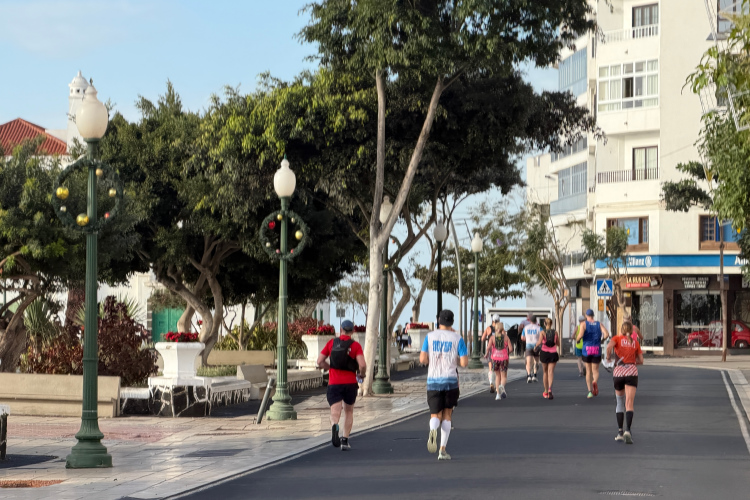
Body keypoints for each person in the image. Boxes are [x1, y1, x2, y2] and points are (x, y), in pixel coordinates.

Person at [420, 309, 468, 461]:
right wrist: (454, 359)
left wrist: (432, 360)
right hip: (450, 381)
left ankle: (433, 428)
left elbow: (422, 359)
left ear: (438, 320)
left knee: (435, 414)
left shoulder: (430, 337)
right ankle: (442, 450)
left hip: (433, 380)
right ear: (452, 322)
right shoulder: (457, 338)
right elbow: (464, 362)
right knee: (447, 414)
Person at [317, 319, 366, 451]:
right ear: (353, 331)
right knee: (348, 411)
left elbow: (319, 361)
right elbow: (362, 365)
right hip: (350, 383)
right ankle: (344, 440)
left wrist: (330, 368)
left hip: (334, 383)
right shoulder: (355, 346)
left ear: (341, 330)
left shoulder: (331, 343)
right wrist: (361, 375)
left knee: (335, 411)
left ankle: (334, 425)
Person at [606, 321, 644, 444]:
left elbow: (609, 347)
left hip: (619, 372)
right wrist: (632, 362)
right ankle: (628, 430)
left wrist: (608, 358)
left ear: (621, 329)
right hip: (631, 372)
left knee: (619, 402)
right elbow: (641, 360)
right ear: (632, 331)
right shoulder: (635, 343)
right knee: (629, 403)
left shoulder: (616, 338)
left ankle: (620, 432)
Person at [576, 309, 610, 399]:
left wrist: (578, 340)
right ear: (593, 315)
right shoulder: (599, 324)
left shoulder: (584, 324)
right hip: (596, 349)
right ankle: (594, 381)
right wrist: (602, 340)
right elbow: (607, 334)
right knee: (595, 370)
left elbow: (580, 335)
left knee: (588, 371)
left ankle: (590, 391)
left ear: (586, 316)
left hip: (586, 350)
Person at [486, 320, 510, 400]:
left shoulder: (492, 338)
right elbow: (511, 348)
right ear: (502, 329)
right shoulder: (506, 338)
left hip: (495, 359)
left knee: (497, 376)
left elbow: (488, 348)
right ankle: (502, 386)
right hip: (504, 358)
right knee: (503, 376)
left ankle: (498, 395)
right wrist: (507, 352)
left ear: (495, 329)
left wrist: (486, 354)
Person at [537, 318, 559, 399]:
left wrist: (535, 346)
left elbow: (540, 342)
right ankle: (550, 389)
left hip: (544, 353)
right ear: (551, 324)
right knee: (551, 372)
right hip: (553, 353)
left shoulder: (542, 332)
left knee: (545, 372)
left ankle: (545, 391)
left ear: (544, 324)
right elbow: (558, 343)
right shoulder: (555, 332)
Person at [481, 314, 502, 393]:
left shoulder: (488, 329)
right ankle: (497, 386)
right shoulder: (500, 329)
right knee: (498, 369)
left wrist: (488, 339)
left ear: (492, 320)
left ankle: (491, 383)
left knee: (491, 367)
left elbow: (482, 338)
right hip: (498, 350)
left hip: (490, 350)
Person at [521, 315, 542, 383]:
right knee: (536, 361)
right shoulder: (539, 328)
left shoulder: (526, 328)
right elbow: (542, 337)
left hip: (529, 345)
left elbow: (522, 337)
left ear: (529, 321)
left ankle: (529, 375)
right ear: (536, 320)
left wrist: (527, 339)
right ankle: (535, 375)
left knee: (528, 361)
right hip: (537, 345)